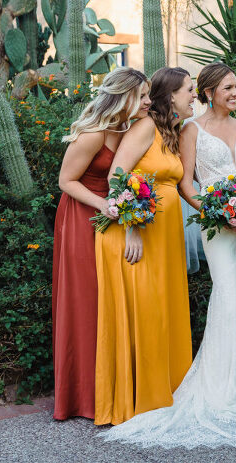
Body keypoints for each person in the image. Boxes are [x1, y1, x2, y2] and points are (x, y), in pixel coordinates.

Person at [99, 62, 236, 449]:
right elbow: (185, 182)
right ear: (205, 92)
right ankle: (219, 385)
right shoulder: (188, 131)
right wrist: (220, 212)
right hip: (217, 221)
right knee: (230, 296)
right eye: (228, 87)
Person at [93, 67, 196, 426]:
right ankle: (145, 394)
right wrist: (131, 227)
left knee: (166, 305)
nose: (194, 96)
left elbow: (182, 185)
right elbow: (116, 176)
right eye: (189, 91)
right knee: (149, 309)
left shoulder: (171, 132)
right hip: (142, 230)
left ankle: (170, 385)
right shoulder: (145, 128)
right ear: (171, 97)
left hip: (167, 233)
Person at [52, 67, 149, 420]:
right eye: (143, 96)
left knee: (106, 301)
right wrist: (103, 205)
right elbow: (66, 180)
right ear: (125, 97)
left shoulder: (124, 128)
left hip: (107, 214)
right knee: (86, 300)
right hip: (81, 217)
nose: (148, 103)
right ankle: (81, 397)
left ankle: (109, 388)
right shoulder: (93, 133)